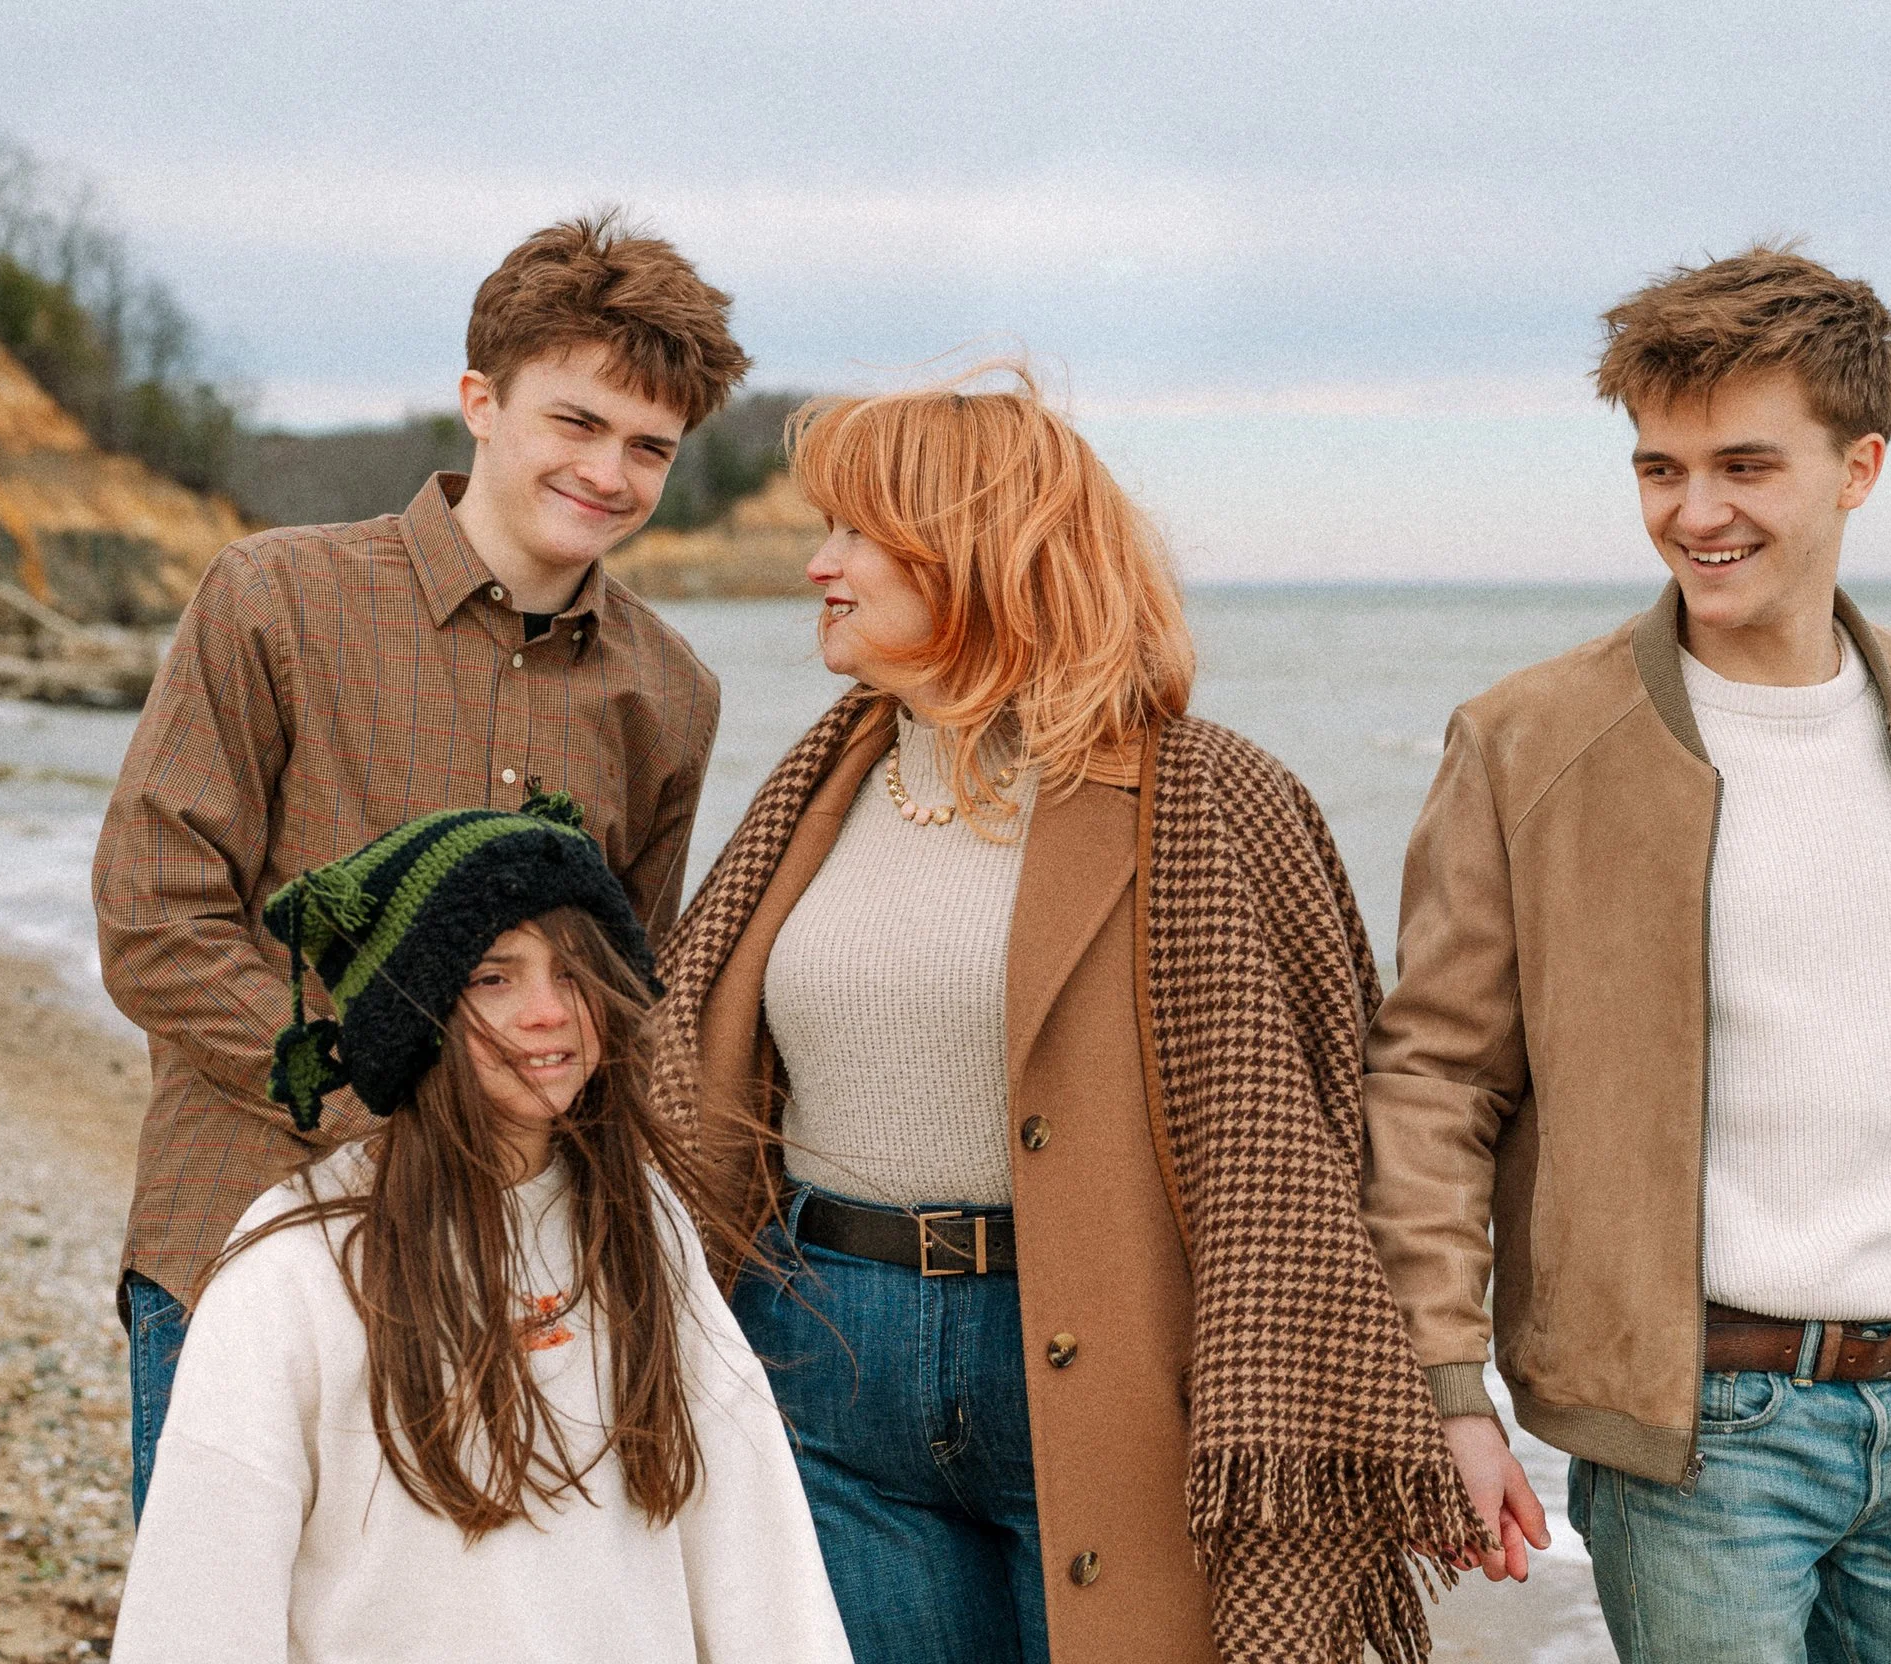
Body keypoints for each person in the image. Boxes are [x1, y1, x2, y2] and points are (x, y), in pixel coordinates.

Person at [645, 367, 1486, 1664]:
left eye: (857, 534)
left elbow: (1328, 1123)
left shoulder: (1207, 799)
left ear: (977, 554)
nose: (820, 564)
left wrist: (1448, 1396)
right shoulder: (812, 793)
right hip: (822, 1353)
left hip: (1102, 1363)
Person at [1360, 245, 1891, 1662]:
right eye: (1657, 469)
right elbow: (1435, 1082)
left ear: (1858, 467)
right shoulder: (1527, 742)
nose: (1695, 514)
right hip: (1697, 1429)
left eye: (1745, 466)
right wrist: (1450, 1396)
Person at [91, 210, 744, 1519]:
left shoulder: (670, 692)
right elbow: (156, 922)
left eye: (648, 448)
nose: (608, 473)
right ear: (480, 402)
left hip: (518, 1280)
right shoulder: (277, 600)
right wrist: (379, 1105)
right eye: (575, 422)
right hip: (247, 1234)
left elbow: (623, 996)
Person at [110, 797, 852, 1663]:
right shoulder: (296, 1264)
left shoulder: (643, 1225)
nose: (550, 1012)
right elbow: (197, 1613)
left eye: (573, 972)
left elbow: (759, 1557)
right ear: (410, 1017)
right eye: (493, 978)